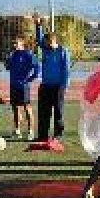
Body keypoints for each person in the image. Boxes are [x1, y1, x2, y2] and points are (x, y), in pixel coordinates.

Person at [32, 13, 71, 143]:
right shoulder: (45, 49)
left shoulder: (63, 51)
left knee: (58, 111)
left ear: (54, 41)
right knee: (43, 112)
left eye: (48, 42)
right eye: (45, 43)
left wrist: (64, 85)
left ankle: (58, 134)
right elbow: (39, 40)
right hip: (45, 86)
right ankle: (42, 135)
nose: (45, 45)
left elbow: (66, 70)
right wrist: (38, 24)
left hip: (58, 86)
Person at [4, 35, 40, 139]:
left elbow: (37, 66)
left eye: (16, 43)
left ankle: (30, 131)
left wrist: (32, 78)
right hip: (13, 85)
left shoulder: (28, 54)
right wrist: (7, 59)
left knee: (27, 107)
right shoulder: (13, 54)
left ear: (21, 44)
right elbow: (8, 67)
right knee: (15, 108)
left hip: (23, 86)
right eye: (13, 44)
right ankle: (17, 130)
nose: (14, 45)